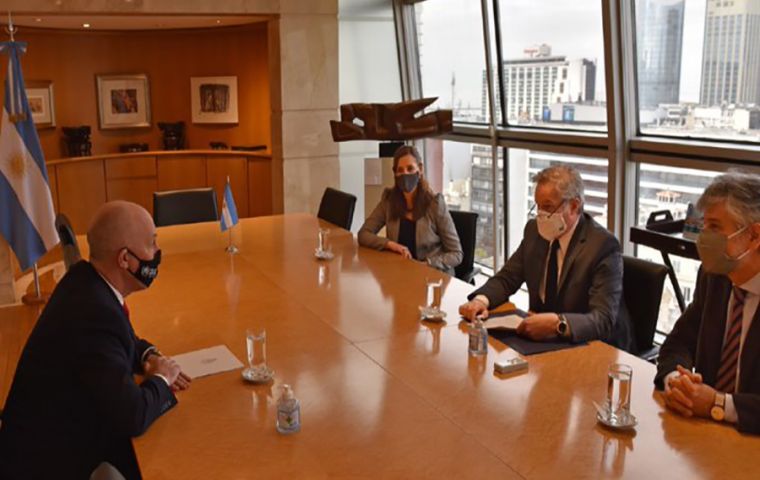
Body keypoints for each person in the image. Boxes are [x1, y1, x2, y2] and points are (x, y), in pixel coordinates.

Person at [0, 201, 191, 479]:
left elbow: (122, 338)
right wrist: (162, 379)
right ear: (125, 259)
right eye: (152, 244)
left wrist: (149, 355)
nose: (157, 253)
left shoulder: (86, 280)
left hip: (49, 435)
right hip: (42, 463)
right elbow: (132, 416)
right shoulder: (95, 313)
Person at [459, 165, 632, 350]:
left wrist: (559, 324)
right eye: (538, 206)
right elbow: (508, 277)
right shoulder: (535, 231)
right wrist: (480, 300)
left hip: (591, 347)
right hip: (540, 341)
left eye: (548, 206)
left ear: (574, 206)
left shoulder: (602, 245)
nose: (541, 215)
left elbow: (603, 319)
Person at [656, 172, 760, 435]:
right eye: (704, 226)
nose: (703, 237)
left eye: (714, 227)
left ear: (754, 235)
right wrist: (678, 383)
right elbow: (677, 343)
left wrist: (719, 404)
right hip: (704, 436)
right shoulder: (714, 277)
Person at [358, 145, 463, 275]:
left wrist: (427, 264)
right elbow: (363, 234)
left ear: (420, 170)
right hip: (401, 273)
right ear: (395, 173)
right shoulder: (389, 200)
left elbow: (456, 254)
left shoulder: (435, 204)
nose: (405, 174)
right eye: (400, 170)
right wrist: (391, 245)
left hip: (432, 276)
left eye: (410, 169)